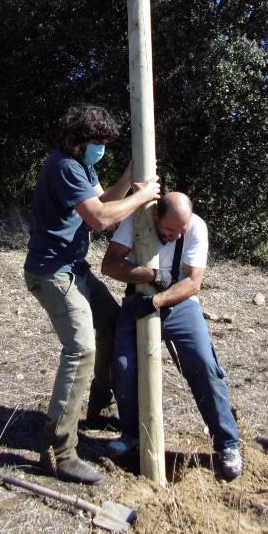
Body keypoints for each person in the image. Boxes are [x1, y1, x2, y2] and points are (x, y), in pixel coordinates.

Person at [24, 105, 161, 485]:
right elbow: (100, 220)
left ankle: (99, 406)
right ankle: (59, 452)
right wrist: (142, 196)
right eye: (98, 142)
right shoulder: (64, 166)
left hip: (74, 269)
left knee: (113, 324)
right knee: (81, 348)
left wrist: (129, 180)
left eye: (104, 143)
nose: (101, 148)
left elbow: (102, 201)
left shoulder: (82, 165)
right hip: (52, 273)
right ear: (79, 139)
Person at [101, 191, 243, 480]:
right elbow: (110, 264)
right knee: (124, 367)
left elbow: (193, 282)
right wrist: (149, 276)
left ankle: (227, 444)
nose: (177, 236)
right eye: (170, 230)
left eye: (181, 230)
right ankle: (132, 436)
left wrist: (158, 301)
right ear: (156, 217)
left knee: (204, 364)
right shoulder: (136, 221)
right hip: (138, 298)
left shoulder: (195, 228)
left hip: (179, 303)